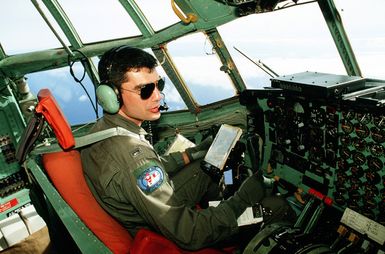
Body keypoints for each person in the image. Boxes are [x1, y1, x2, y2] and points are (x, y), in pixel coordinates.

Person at [81, 45, 295, 251]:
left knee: (208, 164)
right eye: (144, 90)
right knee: (276, 205)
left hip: (142, 210)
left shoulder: (105, 129)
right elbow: (190, 233)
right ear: (112, 96)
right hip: (159, 229)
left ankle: (220, 200)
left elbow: (151, 167)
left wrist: (191, 153)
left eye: (159, 85)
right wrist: (244, 198)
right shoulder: (134, 157)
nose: (157, 96)